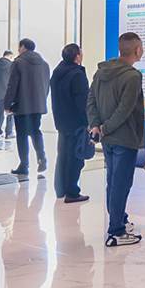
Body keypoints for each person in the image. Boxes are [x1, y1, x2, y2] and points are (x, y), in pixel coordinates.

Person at [87, 32, 145, 247]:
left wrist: (97, 126)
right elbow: (125, 110)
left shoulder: (101, 71)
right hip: (124, 138)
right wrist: (105, 128)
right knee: (121, 184)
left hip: (108, 139)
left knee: (114, 182)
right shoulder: (132, 76)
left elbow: (91, 101)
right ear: (137, 50)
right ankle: (116, 232)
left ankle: (119, 220)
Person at [3, 38, 50, 175]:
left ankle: (24, 165)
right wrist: (42, 100)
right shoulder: (44, 64)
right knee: (35, 131)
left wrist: (7, 104)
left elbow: (12, 85)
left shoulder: (18, 63)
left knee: (22, 135)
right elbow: (47, 85)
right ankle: (41, 157)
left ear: (22, 47)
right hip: (38, 105)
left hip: (22, 105)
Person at [50, 43, 89, 203]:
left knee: (63, 156)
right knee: (75, 159)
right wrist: (88, 121)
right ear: (77, 57)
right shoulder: (77, 74)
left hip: (61, 121)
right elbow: (83, 102)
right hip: (75, 123)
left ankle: (60, 190)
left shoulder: (57, 72)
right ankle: (72, 192)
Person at [0, 50, 15, 139]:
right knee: (10, 112)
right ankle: (9, 132)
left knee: (0, 111)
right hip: (9, 91)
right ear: (10, 56)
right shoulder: (11, 65)